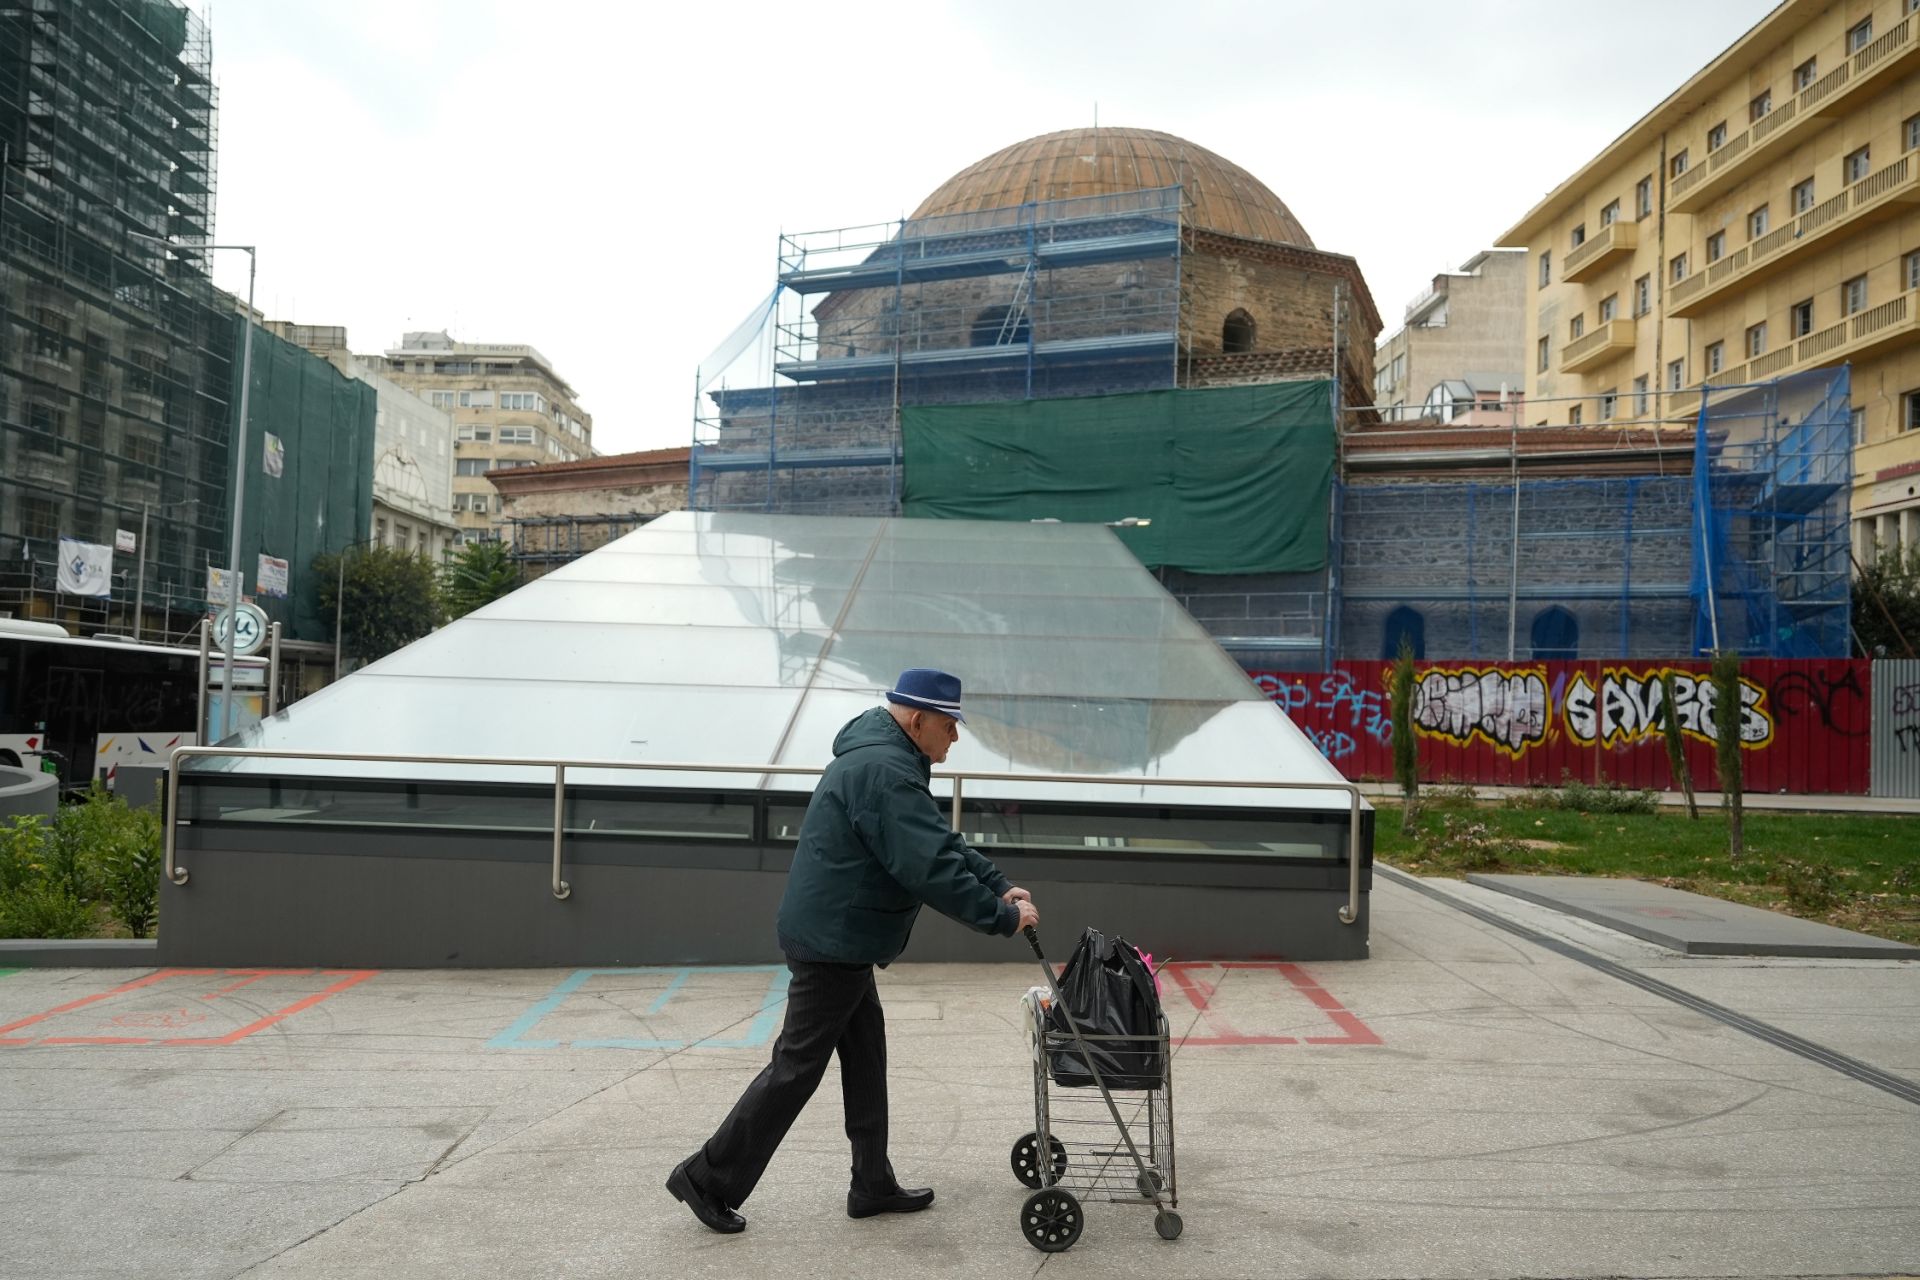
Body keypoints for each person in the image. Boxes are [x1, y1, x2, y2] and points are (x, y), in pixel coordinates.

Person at [667, 668, 1039, 1234]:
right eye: (950, 726)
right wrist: (1002, 917)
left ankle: (871, 1183)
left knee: (865, 1055)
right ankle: (707, 1177)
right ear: (918, 720)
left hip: (841, 936)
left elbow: (938, 841)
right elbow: (929, 868)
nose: (955, 738)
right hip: (832, 941)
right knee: (796, 1068)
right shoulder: (884, 770)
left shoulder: (887, 758)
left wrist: (995, 882)